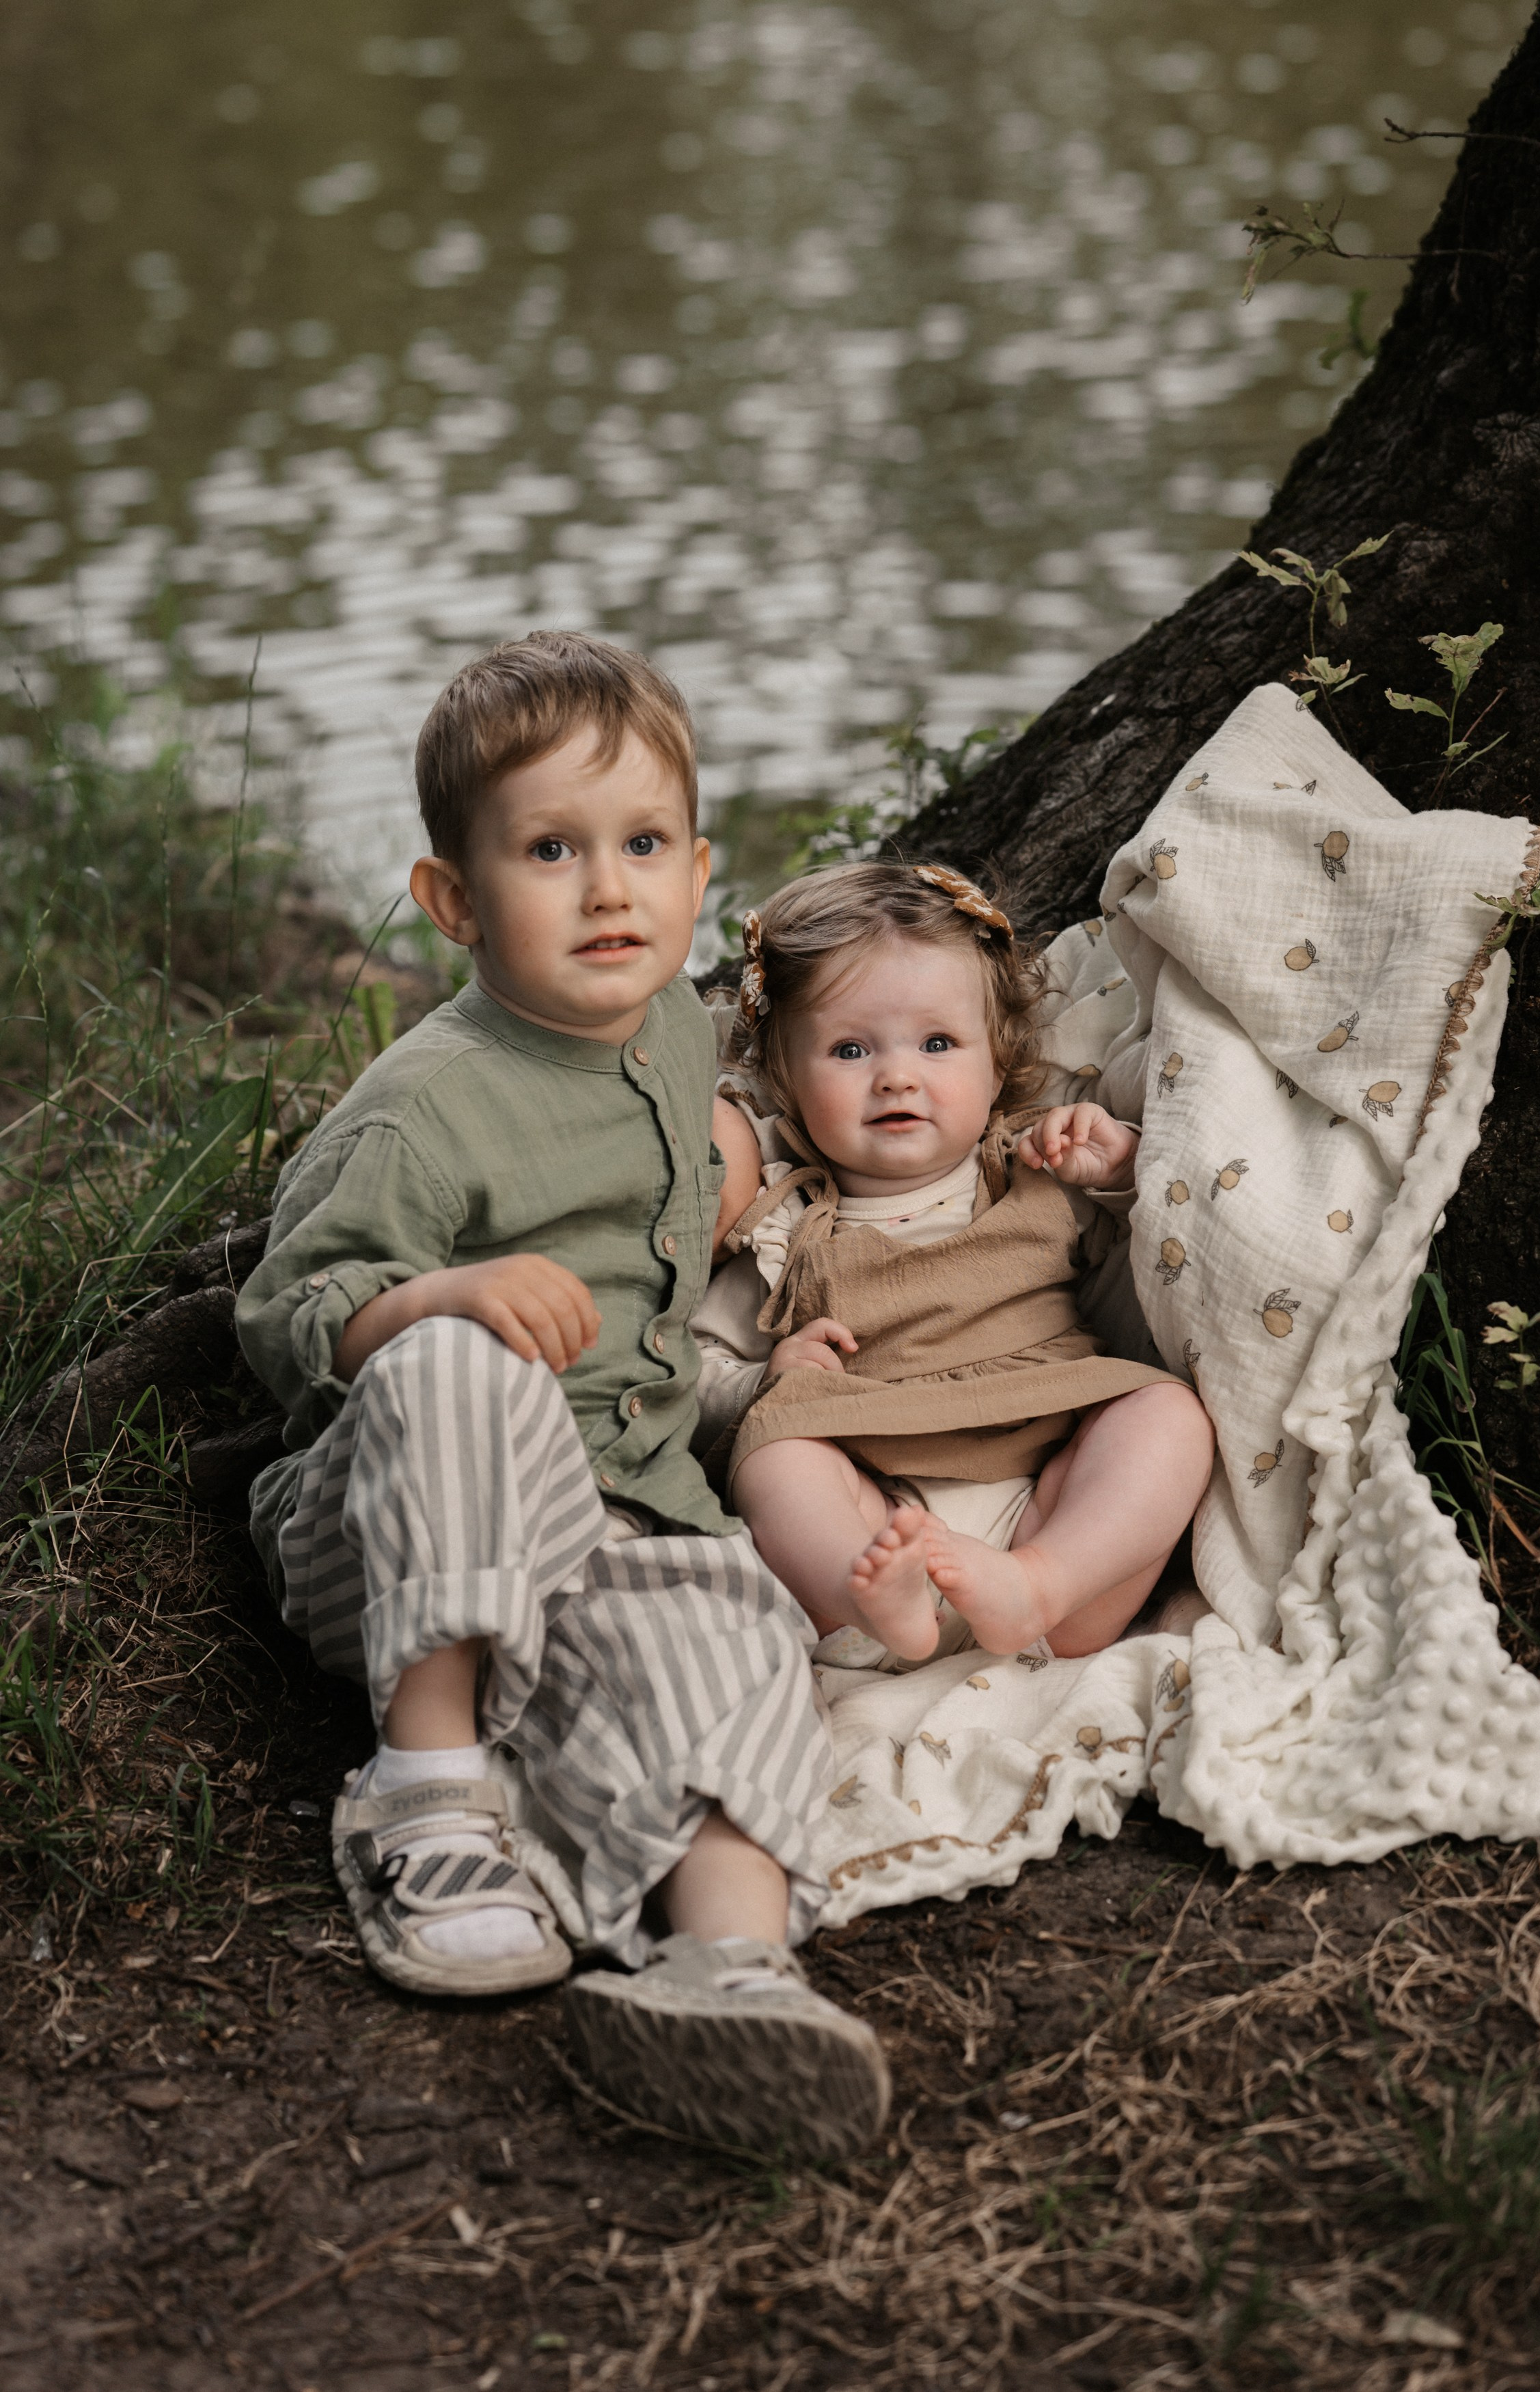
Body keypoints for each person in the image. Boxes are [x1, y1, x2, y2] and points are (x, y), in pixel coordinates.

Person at [234, 634, 889, 2160]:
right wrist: (438, 1297)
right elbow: (287, 1311)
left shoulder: (674, 1037)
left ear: (699, 869)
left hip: (618, 1517)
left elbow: (656, 1316)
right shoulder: (424, 1103)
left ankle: (728, 1974)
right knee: (467, 1366)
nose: (610, 890)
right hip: (394, 1522)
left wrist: (748, 1381)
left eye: (644, 845)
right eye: (552, 850)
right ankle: (431, 1795)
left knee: (731, 1650)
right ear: (454, 903)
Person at [691, 860, 1215, 1671]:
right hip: (878, 1510)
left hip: (1045, 1484)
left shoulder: (1032, 1167)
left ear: (998, 1061)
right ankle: (866, 1601)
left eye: (937, 1042)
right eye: (850, 1047)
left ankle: (1042, 1584)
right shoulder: (779, 1220)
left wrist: (1116, 1165)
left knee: (1167, 1416)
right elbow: (693, 1367)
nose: (897, 1074)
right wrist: (768, 1379)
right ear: (785, 1079)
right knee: (777, 1457)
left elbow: (1144, 1244)